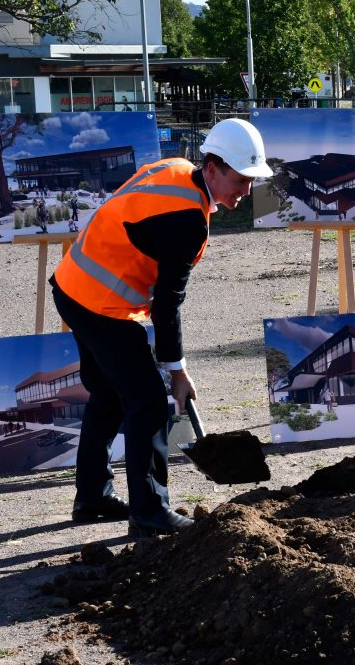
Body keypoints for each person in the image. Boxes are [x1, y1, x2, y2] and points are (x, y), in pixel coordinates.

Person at [51, 118, 273, 537]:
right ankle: (150, 512)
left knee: (108, 395)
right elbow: (167, 304)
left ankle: (93, 497)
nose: (246, 190)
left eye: (251, 180)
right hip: (101, 304)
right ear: (212, 168)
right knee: (149, 402)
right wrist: (177, 372)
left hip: (72, 286)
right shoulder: (187, 220)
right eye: (241, 179)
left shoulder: (173, 169)